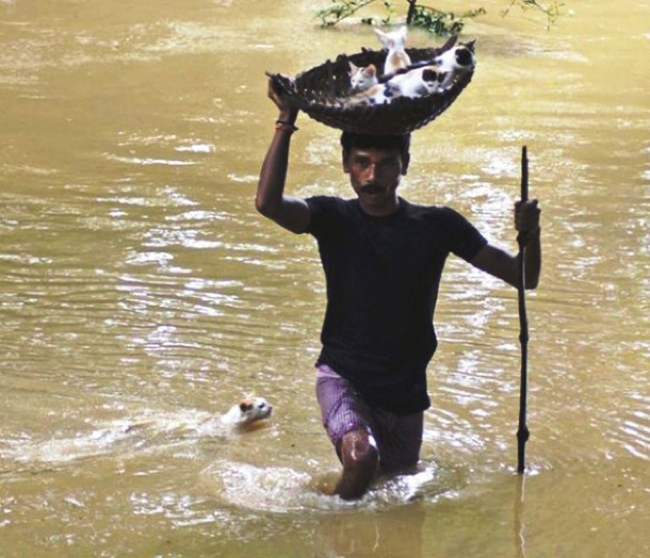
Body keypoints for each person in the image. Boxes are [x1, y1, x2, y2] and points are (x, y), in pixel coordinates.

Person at [256, 80, 541, 500]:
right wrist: (286, 119)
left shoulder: (438, 224)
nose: (373, 177)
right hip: (343, 375)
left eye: (386, 164)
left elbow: (523, 277)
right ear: (346, 164)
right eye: (362, 163)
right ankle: (335, 536)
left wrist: (530, 233)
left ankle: (330, 508)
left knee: (395, 491)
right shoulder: (332, 217)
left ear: (404, 165)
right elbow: (269, 204)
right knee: (361, 458)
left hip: (405, 390)